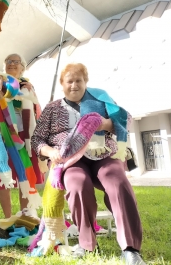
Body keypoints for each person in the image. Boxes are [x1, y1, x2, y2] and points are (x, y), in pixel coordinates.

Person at [31, 63, 145, 265]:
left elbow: (124, 121)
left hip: (105, 154)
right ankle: (87, 245)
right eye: (70, 81)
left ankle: (130, 248)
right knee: (77, 185)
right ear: (62, 84)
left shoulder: (100, 100)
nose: (74, 85)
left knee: (117, 182)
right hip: (70, 160)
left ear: (86, 82)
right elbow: (37, 140)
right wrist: (51, 152)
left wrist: (105, 123)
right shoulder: (52, 108)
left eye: (78, 81)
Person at [0, 53, 45, 219]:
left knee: (23, 172)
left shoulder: (27, 86)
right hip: (0, 134)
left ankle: (25, 215)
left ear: (22, 67)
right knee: (3, 173)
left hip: (24, 135)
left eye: (15, 62)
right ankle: (8, 217)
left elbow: (36, 110)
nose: (11, 64)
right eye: (8, 61)